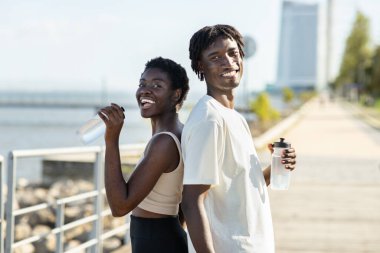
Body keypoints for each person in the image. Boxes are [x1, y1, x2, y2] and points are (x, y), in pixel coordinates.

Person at [181, 24, 297, 253]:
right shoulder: (210, 120)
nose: (228, 62)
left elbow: (238, 187)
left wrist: (273, 170)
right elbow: (192, 201)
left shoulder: (234, 117)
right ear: (201, 67)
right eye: (215, 57)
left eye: (233, 53)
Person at [99, 57, 190, 253]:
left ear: (176, 94)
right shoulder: (178, 132)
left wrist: (111, 139)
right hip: (162, 236)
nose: (145, 90)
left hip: (157, 239)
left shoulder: (164, 142)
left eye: (157, 85)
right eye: (142, 83)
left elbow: (119, 207)